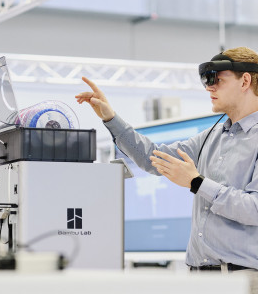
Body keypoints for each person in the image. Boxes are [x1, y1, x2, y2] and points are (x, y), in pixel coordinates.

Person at [75, 46, 258, 272]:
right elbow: (153, 158)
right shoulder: (211, 137)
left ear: (245, 81)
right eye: (207, 81)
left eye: (217, 79)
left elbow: (255, 209)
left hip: (242, 279)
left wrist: (197, 182)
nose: (210, 87)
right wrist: (110, 117)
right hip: (199, 276)